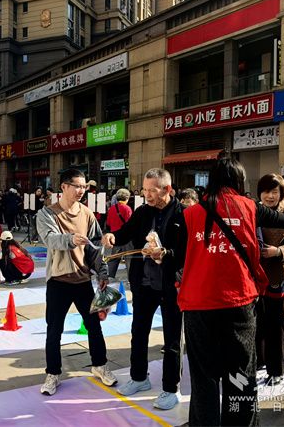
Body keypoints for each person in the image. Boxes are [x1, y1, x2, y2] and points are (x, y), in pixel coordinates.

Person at [177, 158, 284, 427]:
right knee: (240, 373)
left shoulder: (190, 214)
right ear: (239, 180)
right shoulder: (249, 207)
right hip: (238, 302)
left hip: (198, 304)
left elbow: (177, 257)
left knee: (203, 376)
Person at [102, 169, 185, 410]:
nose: (146, 195)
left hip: (171, 285)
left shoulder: (183, 214)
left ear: (167, 189)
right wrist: (113, 236)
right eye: (144, 190)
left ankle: (171, 388)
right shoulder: (142, 212)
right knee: (138, 332)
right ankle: (139, 378)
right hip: (144, 283)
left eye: (152, 191)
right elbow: (126, 233)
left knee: (172, 339)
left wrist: (166, 253)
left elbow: (187, 251)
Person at [36, 168, 117, 396]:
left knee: (94, 326)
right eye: (77, 186)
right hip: (58, 281)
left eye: (84, 187)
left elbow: (95, 248)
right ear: (64, 187)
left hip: (83, 281)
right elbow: (51, 239)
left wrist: (102, 274)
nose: (81, 191)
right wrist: (71, 239)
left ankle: (99, 365)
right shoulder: (47, 214)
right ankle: (53, 374)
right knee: (54, 330)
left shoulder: (87, 214)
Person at [255, 174, 284, 386]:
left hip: (277, 274)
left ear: (282, 194)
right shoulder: (253, 211)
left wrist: (278, 251)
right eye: (266, 191)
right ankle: (258, 360)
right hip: (254, 275)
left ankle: (276, 370)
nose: (270, 196)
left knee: (275, 323)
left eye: (275, 192)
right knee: (256, 322)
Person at [104, 188, 133, 280]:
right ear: (127, 198)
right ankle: (131, 279)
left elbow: (108, 223)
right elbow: (130, 224)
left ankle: (109, 277)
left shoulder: (112, 208)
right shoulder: (127, 208)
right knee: (129, 259)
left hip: (114, 237)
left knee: (113, 259)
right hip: (126, 238)